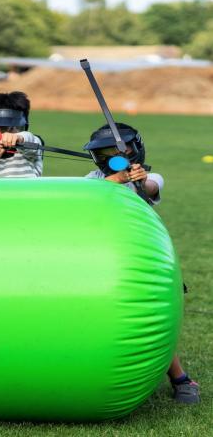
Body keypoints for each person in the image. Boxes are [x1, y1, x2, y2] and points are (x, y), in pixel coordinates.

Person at [83, 123, 200, 404]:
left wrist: (135, 180)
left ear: (133, 150)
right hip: (102, 256)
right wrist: (115, 179)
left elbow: (151, 186)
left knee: (157, 322)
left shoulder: (148, 177)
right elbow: (89, 193)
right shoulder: (93, 178)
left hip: (140, 260)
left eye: (116, 150)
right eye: (103, 152)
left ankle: (181, 379)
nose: (109, 157)